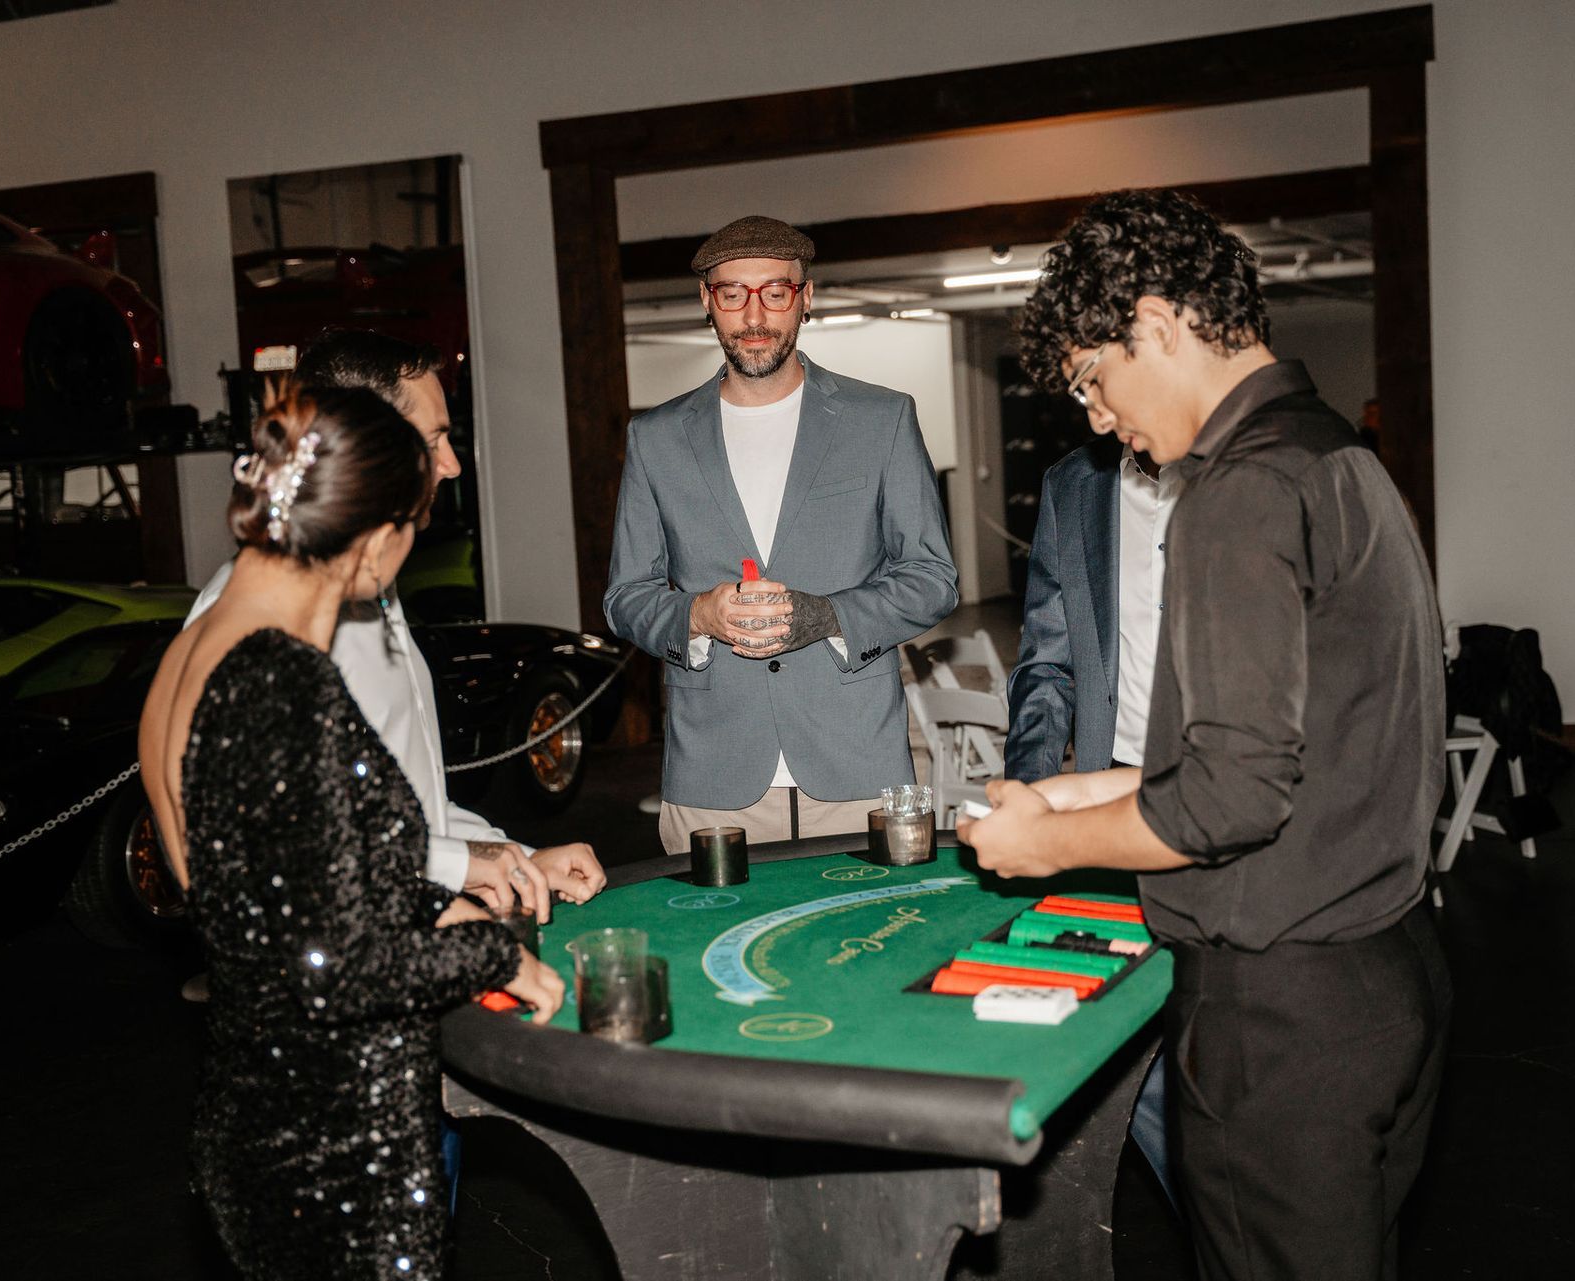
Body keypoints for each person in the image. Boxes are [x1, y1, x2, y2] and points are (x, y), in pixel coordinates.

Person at [965, 188, 1452, 1281]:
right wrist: (1081, 792)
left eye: (1095, 378)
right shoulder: (1336, 454)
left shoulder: (1234, 492)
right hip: (1389, 972)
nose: (1096, 418)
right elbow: (1304, 748)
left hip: (1282, 1012)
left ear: (1161, 324)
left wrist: (1046, 845)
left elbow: (1231, 801)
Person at [138, 385, 565, 1280]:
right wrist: (492, 954)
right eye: (416, 525)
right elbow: (331, 970)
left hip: (255, 1107)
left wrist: (437, 904)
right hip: (336, 1143)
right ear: (376, 540)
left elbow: (271, 889)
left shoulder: (194, 649)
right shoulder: (282, 683)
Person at [188, 329, 605, 917]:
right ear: (369, 438)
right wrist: (466, 869)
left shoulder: (369, 584)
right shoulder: (252, 619)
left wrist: (515, 857)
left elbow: (413, 804)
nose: (453, 464)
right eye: (434, 438)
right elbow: (284, 846)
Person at [605, 215, 958, 852]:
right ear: (707, 303)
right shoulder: (654, 438)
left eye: (775, 291)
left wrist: (827, 616)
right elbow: (625, 596)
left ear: (806, 298)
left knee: (872, 941)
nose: (755, 314)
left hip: (857, 764)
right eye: (733, 293)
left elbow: (932, 578)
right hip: (711, 770)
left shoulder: (882, 419)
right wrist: (699, 616)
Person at [1003, 428, 1184, 1205]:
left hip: (1219, 790)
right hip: (1105, 799)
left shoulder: (1242, 471)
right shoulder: (1073, 480)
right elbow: (1047, 661)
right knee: (1118, 1039)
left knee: (1213, 1040)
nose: (1097, 405)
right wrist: (1030, 799)